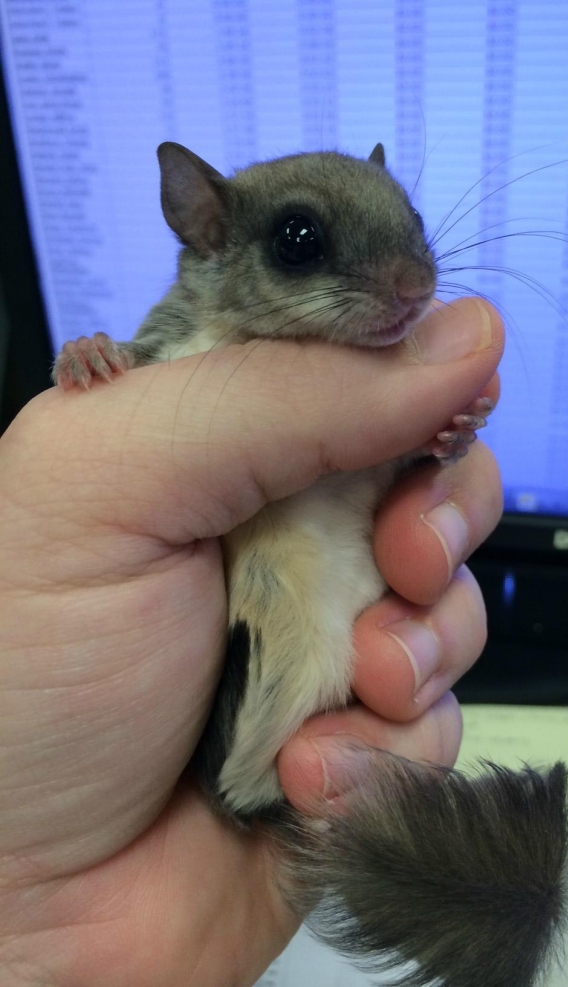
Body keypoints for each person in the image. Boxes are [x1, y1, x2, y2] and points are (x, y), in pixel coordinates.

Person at [0, 298, 504, 986]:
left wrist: (439, 432)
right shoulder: (200, 340)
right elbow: (137, 381)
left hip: (296, 688)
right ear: (212, 247)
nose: (406, 289)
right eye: (300, 248)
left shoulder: (363, 368)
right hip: (255, 699)